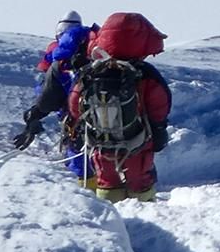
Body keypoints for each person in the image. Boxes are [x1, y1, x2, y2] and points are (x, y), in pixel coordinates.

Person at [65, 12, 172, 203]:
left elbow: (75, 102)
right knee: (140, 179)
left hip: (100, 139)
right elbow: (159, 104)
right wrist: (158, 129)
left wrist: (78, 127)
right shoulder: (142, 73)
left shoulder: (91, 71)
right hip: (137, 139)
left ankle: (113, 217)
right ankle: (145, 210)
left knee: (106, 179)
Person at [14, 11, 90, 157]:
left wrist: (33, 117)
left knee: (77, 159)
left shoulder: (56, 58)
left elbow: (47, 96)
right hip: (102, 117)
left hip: (74, 120)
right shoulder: (93, 54)